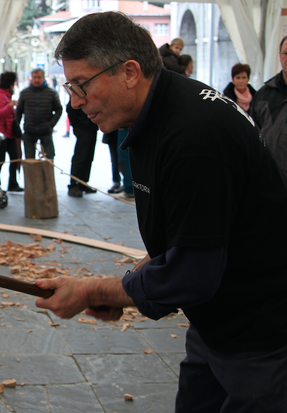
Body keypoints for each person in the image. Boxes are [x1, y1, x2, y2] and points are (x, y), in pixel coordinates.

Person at [35, 12, 287, 411]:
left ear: (130, 72)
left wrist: (94, 290)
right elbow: (196, 230)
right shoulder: (160, 111)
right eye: (70, 86)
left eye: (82, 85)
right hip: (215, 321)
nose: (76, 102)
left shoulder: (194, 136)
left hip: (260, 332)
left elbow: (193, 273)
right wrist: (136, 280)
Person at [250, 37, 287, 177]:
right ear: (279, 55)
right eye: (286, 53)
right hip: (270, 178)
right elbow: (253, 135)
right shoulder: (263, 95)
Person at [16, 68, 63, 161]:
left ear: (43, 78)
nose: (36, 80)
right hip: (29, 131)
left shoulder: (51, 93)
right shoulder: (24, 93)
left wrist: (51, 124)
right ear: (31, 78)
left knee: (49, 159)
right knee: (30, 161)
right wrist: (17, 128)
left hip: (45, 130)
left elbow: (59, 109)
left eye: (39, 77)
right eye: (34, 77)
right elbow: (19, 111)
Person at [0, 72, 22, 192]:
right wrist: (10, 106)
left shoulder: (6, 95)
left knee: (14, 157)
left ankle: (12, 183)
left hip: (9, 133)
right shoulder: (0, 95)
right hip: (1, 133)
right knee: (0, 159)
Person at [66, 101, 98, 197]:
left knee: (89, 156)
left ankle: (83, 183)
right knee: (80, 156)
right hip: (82, 127)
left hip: (92, 126)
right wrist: (77, 123)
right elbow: (71, 108)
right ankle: (74, 184)